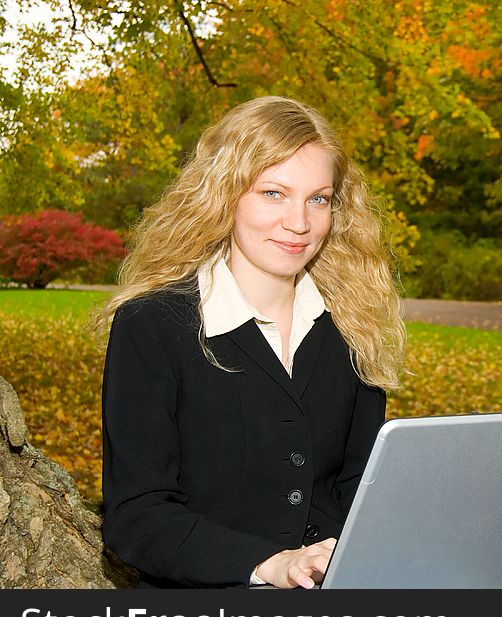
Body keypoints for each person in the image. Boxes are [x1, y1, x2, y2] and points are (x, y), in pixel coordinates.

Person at [97, 96, 406, 588]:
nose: (299, 222)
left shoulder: (352, 326)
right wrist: (270, 564)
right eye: (273, 193)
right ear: (225, 194)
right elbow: (137, 517)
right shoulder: (152, 325)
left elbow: (357, 491)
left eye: (318, 199)